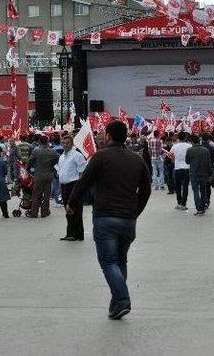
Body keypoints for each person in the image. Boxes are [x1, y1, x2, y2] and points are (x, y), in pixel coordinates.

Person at [67, 121, 151, 320]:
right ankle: (116, 305)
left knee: (108, 262)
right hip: (128, 220)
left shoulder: (101, 156)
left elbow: (83, 182)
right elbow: (146, 190)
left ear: (109, 136)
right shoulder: (136, 160)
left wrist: (71, 203)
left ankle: (122, 300)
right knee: (120, 261)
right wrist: (135, 211)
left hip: (105, 217)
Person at [56, 135, 87, 241]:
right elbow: (60, 172)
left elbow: (82, 172)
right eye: (63, 143)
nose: (65, 145)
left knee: (75, 210)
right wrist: (60, 185)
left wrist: (79, 187)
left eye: (68, 143)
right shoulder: (61, 157)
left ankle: (78, 234)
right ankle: (70, 233)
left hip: (73, 185)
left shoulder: (77, 155)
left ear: (72, 143)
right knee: (67, 210)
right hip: (64, 186)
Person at [27, 135, 60, 218]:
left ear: (39, 142)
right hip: (49, 174)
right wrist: (52, 164)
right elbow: (57, 158)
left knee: (36, 194)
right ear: (47, 141)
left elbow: (30, 161)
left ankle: (34, 213)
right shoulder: (52, 151)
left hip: (38, 174)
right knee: (47, 194)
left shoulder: (36, 151)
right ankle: (44, 212)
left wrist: (28, 169)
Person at [185, 134, 212, 216]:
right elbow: (209, 163)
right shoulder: (205, 150)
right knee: (203, 191)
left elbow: (187, 161)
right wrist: (210, 173)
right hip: (204, 173)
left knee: (196, 191)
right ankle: (203, 207)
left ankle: (199, 208)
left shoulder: (189, 150)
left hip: (194, 173)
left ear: (192, 141)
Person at [170, 132, 192, 211]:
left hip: (177, 168)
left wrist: (175, 162)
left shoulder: (174, 146)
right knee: (185, 186)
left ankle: (179, 202)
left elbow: (171, 157)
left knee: (178, 186)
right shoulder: (189, 146)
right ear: (185, 137)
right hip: (186, 168)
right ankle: (184, 203)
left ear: (178, 138)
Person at [201, 133, 214, 207]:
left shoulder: (200, 147)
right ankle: (207, 200)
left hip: (200, 168)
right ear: (208, 139)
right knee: (207, 185)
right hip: (209, 168)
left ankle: (203, 200)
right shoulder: (211, 147)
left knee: (201, 185)